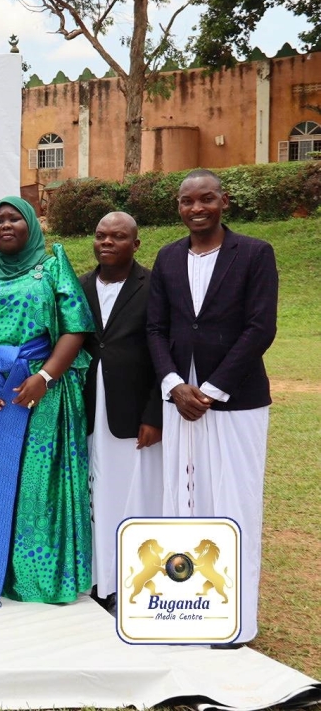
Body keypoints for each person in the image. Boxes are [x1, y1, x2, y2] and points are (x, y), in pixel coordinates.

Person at [146, 169, 278, 647]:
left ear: (224, 201)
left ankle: (234, 621)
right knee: (182, 503)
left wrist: (214, 389)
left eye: (206, 199)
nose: (196, 208)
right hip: (179, 401)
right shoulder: (166, 258)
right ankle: (185, 611)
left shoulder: (256, 253)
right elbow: (155, 330)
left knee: (234, 503)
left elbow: (261, 328)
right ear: (178, 207)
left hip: (236, 402)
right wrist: (175, 385)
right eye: (187, 201)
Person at [0, 196, 94, 606]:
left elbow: (75, 329)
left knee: (35, 484)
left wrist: (44, 377)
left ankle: (34, 579)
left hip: (37, 392)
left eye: (15, 219)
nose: (5, 226)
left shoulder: (52, 267)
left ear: (32, 225)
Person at [80, 212, 162, 614]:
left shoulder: (153, 287)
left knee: (129, 498)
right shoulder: (78, 285)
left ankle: (128, 583)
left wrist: (154, 414)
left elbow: (164, 354)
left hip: (132, 414)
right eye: (100, 236)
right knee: (93, 497)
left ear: (136, 243)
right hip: (87, 408)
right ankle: (96, 580)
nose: (107, 243)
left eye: (117, 237)